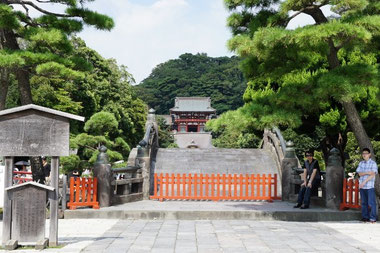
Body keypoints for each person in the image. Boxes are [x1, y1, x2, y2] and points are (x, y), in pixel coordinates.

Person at [356, 148, 378, 223]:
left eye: (366, 153)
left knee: (371, 202)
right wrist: (368, 172)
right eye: (363, 153)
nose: (364, 155)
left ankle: (372, 218)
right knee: (363, 202)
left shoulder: (373, 163)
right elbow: (359, 173)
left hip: (369, 186)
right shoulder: (361, 163)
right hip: (362, 186)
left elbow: (373, 174)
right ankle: (365, 217)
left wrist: (364, 180)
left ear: (369, 154)